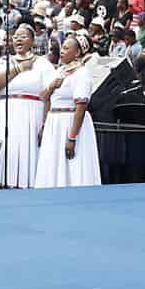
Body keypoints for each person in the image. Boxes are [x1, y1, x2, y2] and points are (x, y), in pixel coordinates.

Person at [0, 24, 50, 188]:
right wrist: (18, 68)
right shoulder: (2, 62)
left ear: (33, 41)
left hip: (31, 114)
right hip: (5, 112)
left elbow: (49, 95)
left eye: (24, 36)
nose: (19, 39)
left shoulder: (43, 63)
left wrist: (45, 123)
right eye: (16, 36)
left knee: (27, 150)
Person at [33, 31, 101, 188]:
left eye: (66, 48)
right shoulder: (60, 71)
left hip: (70, 122)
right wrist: (52, 86)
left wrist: (72, 137)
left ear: (77, 53)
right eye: (62, 48)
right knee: (54, 163)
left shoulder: (82, 73)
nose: (62, 51)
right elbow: (44, 97)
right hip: (54, 122)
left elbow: (81, 107)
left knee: (73, 164)